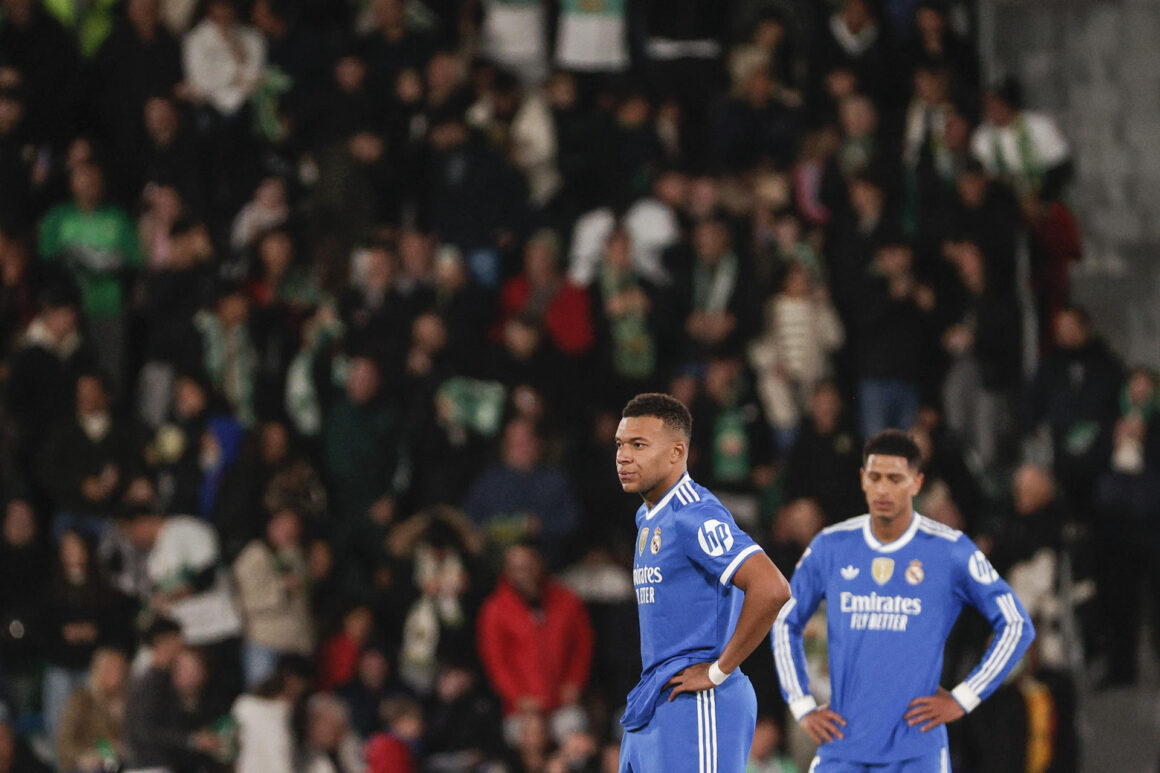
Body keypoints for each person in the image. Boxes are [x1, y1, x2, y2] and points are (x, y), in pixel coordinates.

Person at [772, 430, 1035, 772]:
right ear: (863, 480)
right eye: (876, 477)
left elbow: (1016, 624)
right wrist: (801, 703)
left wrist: (964, 697)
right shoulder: (830, 546)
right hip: (843, 748)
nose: (883, 489)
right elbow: (784, 622)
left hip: (915, 753)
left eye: (895, 479)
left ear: (916, 483)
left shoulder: (950, 550)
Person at [614, 393, 790, 773]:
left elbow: (772, 587)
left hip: (699, 704)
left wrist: (717, 671)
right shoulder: (648, 519)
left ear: (677, 452)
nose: (623, 456)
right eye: (620, 444)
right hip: (657, 699)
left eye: (638, 444)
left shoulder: (693, 513)